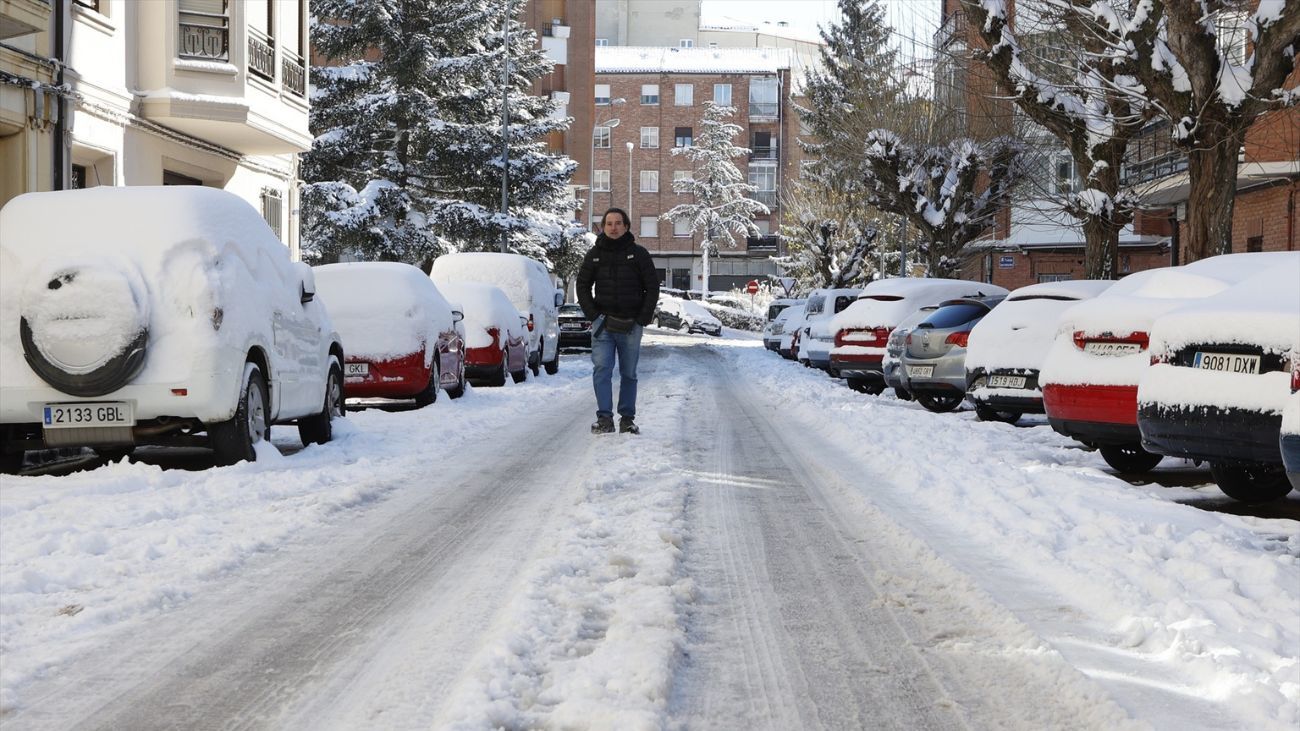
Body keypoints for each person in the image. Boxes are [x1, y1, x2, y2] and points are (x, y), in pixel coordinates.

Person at [576, 207, 659, 434]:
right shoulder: (594, 254)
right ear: (603, 227)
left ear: (626, 226)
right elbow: (582, 286)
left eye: (618, 223)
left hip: (632, 325)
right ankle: (604, 419)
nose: (613, 227)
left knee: (629, 373)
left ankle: (627, 420)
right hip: (603, 326)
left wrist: (642, 318)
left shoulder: (639, 254)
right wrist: (594, 315)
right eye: (609, 223)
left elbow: (652, 287)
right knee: (602, 370)